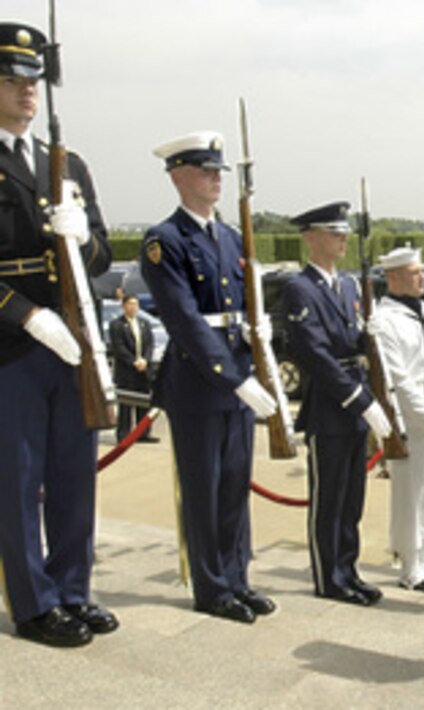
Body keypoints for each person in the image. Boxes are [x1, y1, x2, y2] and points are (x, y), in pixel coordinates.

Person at [0, 21, 118, 647]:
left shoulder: (66, 164)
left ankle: (73, 588)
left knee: (76, 472)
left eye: (33, 81)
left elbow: (99, 256)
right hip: (15, 345)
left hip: (73, 341)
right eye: (14, 80)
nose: (27, 93)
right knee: (19, 480)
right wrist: (27, 315)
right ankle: (34, 603)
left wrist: (80, 234)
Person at [141, 131, 279, 624]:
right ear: (179, 177)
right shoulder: (165, 240)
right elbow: (184, 319)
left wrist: (261, 330)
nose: (216, 178)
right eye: (205, 170)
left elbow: (241, 306)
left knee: (235, 486)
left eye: (218, 170)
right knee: (205, 488)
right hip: (200, 382)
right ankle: (211, 587)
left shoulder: (230, 237)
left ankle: (237, 578)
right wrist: (231, 376)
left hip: (238, 372)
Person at [281, 202, 391, 607]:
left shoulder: (346, 286)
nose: (343, 238)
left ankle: (349, 569)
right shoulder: (300, 288)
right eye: (333, 231)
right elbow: (316, 354)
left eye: (344, 231)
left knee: (352, 499)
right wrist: (362, 400)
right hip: (330, 405)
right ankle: (329, 578)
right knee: (328, 499)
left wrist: (368, 338)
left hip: (355, 400)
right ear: (311, 237)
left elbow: (350, 345)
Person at [371, 246, 424, 596]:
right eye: (415, 273)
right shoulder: (385, 319)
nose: (423, 278)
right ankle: (410, 567)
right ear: (393, 278)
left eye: (423, 271)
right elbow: (402, 383)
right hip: (409, 414)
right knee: (410, 494)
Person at [109, 293, 157, 443]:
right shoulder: (117, 325)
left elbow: (150, 344)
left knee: (143, 403)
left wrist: (145, 360)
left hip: (143, 369)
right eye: (130, 304)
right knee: (126, 404)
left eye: (135, 304)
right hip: (127, 370)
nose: (133, 307)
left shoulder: (144, 323)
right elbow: (119, 347)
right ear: (123, 306)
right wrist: (133, 361)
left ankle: (143, 433)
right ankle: (123, 434)